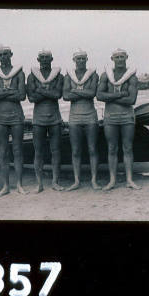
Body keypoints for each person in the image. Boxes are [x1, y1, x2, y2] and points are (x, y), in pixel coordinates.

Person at [96, 48, 141, 190]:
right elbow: (99, 96)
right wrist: (121, 94)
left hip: (127, 117)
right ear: (112, 59)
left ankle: (129, 180)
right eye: (117, 57)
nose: (120, 59)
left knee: (127, 148)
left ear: (127, 57)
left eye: (122, 56)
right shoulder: (105, 76)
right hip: (110, 117)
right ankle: (112, 180)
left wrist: (111, 97)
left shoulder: (132, 77)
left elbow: (132, 100)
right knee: (112, 148)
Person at [0, 45, 28, 196]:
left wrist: (1, 93)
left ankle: (20, 185)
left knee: (17, 150)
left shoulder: (19, 73)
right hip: (0, 116)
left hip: (16, 115)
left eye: (6, 54)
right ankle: (5, 186)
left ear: (11, 54)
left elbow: (22, 95)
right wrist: (11, 92)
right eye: (1, 54)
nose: (3, 56)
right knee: (3, 152)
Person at [26, 49, 65, 193]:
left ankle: (55, 182)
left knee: (56, 151)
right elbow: (31, 98)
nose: (44, 59)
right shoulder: (31, 76)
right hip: (38, 119)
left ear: (52, 58)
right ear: (38, 59)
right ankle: (39, 184)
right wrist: (49, 92)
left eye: (47, 57)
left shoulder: (59, 76)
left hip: (55, 118)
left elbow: (58, 95)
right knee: (38, 152)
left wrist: (40, 90)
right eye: (41, 57)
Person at [63, 49, 101, 191]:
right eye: (78, 59)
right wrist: (83, 93)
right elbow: (65, 96)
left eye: (83, 58)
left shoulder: (93, 74)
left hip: (90, 115)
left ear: (87, 59)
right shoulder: (69, 76)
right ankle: (76, 181)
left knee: (92, 149)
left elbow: (92, 93)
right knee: (76, 150)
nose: (80, 61)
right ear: (74, 60)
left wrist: (75, 91)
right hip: (74, 117)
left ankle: (94, 180)